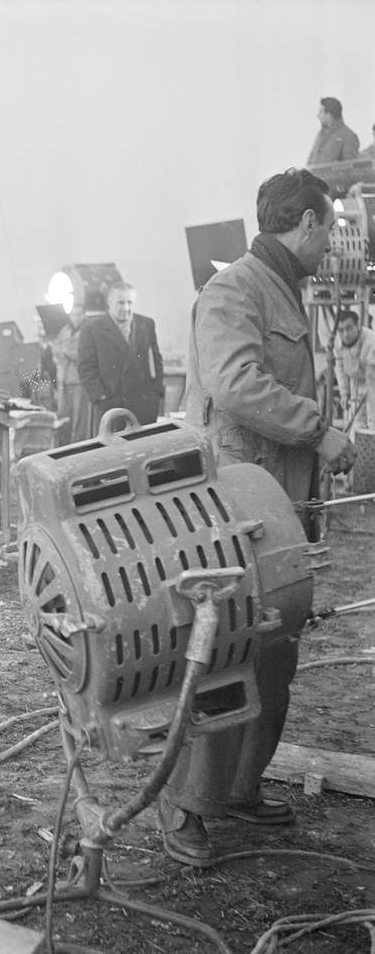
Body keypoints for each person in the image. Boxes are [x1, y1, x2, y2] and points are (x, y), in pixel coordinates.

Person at [163, 167, 357, 867]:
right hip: (234, 511)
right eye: (327, 229)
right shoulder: (232, 288)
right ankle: (182, 804)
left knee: (274, 655)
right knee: (225, 655)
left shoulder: (281, 290)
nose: (330, 243)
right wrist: (317, 430)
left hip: (275, 511)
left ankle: (237, 790)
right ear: (304, 223)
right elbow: (235, 384)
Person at [77, 282, 164, 434]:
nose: (126, 308)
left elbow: (157, 361)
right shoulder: (91, 329)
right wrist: (101, 397)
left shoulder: (146, 324)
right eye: (120, 302)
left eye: (130, 302)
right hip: (112, 408)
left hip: (144, 405)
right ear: (109, 303)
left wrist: (156, 393)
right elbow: (86, 369)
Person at [49, 304, 89, 443]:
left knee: (79, 416)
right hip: (63, 378)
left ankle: (78, 445)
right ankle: (63, 444)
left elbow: (86, 354)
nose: (76, 318)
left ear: (84, 315)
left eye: (79, 314)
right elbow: (56, 349)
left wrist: (68, 353)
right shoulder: (64, 330)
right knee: (63, 414)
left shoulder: (87, 331)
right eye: (73, 314)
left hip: (79, 380)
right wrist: (58, 354)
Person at [334, 308, 375, 431]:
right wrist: (344, 393)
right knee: (356, 426)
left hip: (372, 382)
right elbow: (340, 368)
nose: (345, 334)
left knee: (372, 425)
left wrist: (372, 418)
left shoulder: (371, 341)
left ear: (358, 326)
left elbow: (371, 378)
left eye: (349, 328)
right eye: (341, 330)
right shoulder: (338, 343)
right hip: (355, 383)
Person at [307, 97, 360, 165]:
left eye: (321, 112)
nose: (317, 115)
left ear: (329, 115)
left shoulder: (349, 136)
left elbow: (350, 169)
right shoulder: (320, 134)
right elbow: (310, 161)